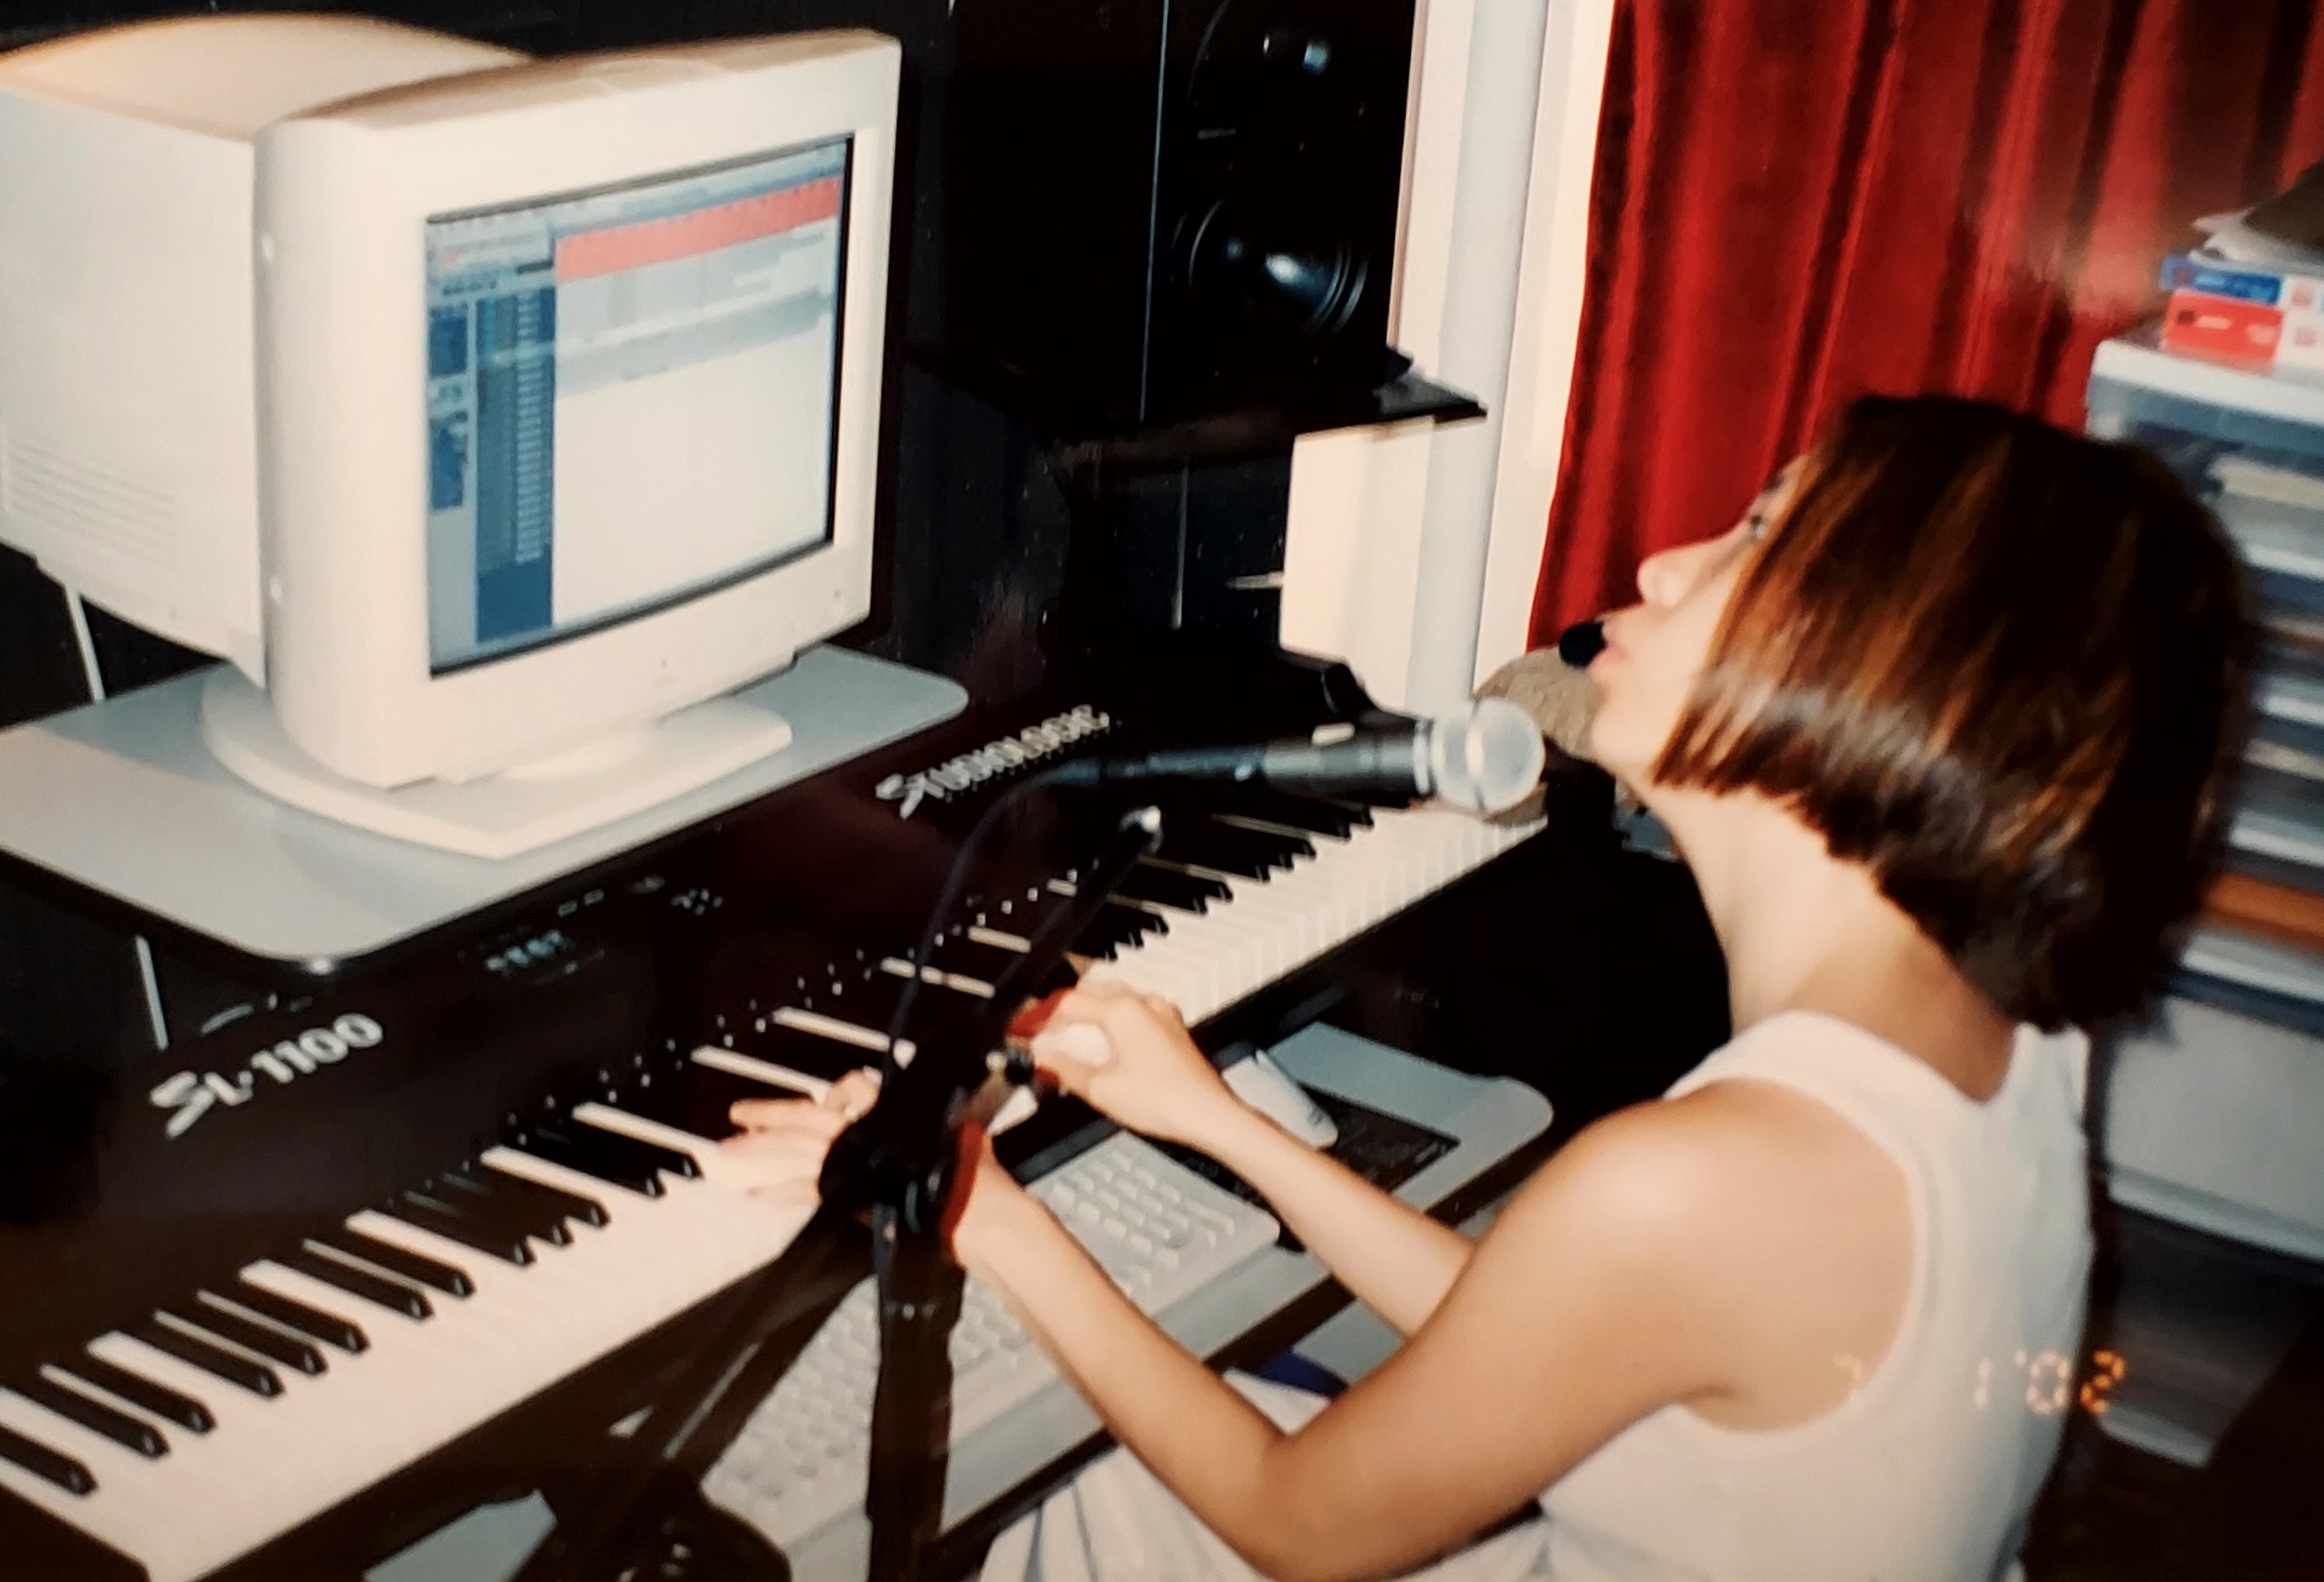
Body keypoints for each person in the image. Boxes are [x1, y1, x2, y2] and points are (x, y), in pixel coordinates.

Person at [725, 395, 2250, 1581]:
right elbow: (1566, 1337)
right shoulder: (2022, 1039)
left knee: (1086, 1510)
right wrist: (1223, 1124)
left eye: (1758, 540)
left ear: (1897, 669)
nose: (1663, 563)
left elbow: (1300, 1526)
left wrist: (988, 1209)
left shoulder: (1705, 1179)